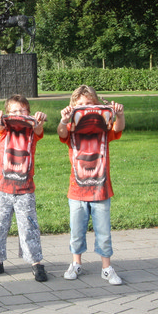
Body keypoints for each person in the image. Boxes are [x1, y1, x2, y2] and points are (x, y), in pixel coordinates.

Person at [57, 85, 126, 284]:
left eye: (89, 103)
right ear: (73, 107)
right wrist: (64, 119)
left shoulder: (104, 130)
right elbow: (61, 133)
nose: (85, 107)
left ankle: (106, 268)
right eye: (80, 104)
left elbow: (118, 128)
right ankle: (76, 263)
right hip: (77, 191)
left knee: (103, 233)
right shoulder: (71, 129)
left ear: (97, 105)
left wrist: (119, 114)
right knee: (76, 232)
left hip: (101, 190)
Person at [0, 95, 49, 282]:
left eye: (23, 111)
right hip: (2, 190)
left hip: (25, 191)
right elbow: (0, 126)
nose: (19, 114)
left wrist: (40, 120)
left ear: (29, 113)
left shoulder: (32, 131)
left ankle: (36, 263)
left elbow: (38, 129)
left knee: (29, 228)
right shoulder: (4, 131)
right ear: (8, 114)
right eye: (14, 111)